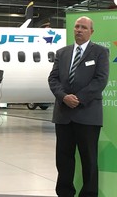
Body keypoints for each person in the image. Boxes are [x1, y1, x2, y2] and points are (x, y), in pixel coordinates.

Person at [48, 16, 109, 197]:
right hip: (64, 115)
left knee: (89, 159)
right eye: (76, 27)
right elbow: (53, 79)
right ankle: (65, 193)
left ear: (91, 31)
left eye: (83, 27)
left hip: (88, 114)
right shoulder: (62, 53)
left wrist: (78, 99)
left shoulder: (100, 52)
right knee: (63, 159)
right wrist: (64, 97)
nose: (79, 30)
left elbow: (100, 80)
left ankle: (89, 194)